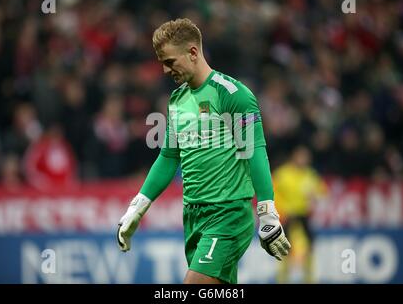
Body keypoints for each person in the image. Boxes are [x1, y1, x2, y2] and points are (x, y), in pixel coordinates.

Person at [117, 18, 290, 284]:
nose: (164, 70)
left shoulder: (233, 94)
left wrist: (267, 211)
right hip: (193, 217)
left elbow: (255, 151)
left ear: (193, 53)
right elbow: (168, 158)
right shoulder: (176, 100)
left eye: (170, 61)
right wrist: (137, 207)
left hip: (228, 214)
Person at [272, 145, 327, 283]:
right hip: (287, 218)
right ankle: (282, 280)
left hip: (303, 217)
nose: (303, 160)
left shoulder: (310, 175)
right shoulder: (282, 174)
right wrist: (281, 211)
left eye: (306, 157)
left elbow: (323, 192)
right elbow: (272, 194)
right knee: (284, 250)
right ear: (294, 157)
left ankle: (309, 279)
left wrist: (315, 197)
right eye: (301, 156)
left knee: (309, 249)